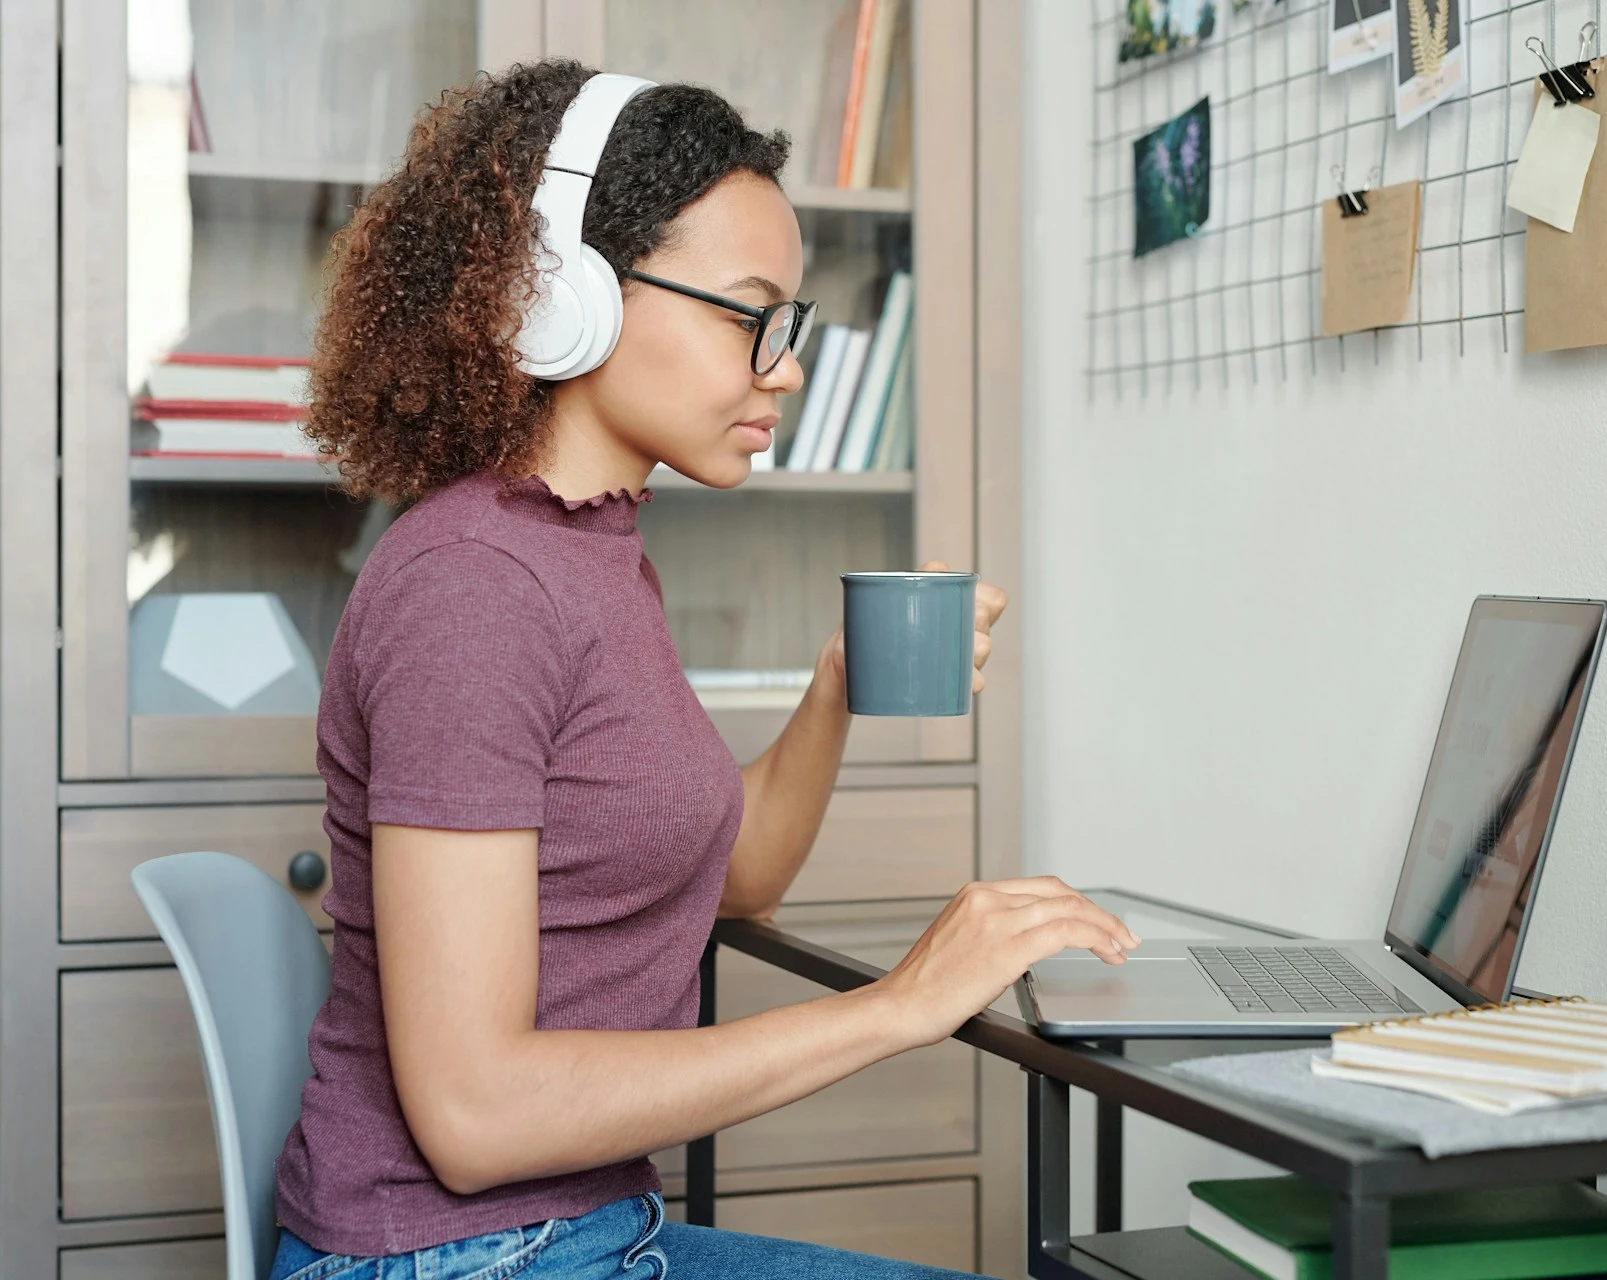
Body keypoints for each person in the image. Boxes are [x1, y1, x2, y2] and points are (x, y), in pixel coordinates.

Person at [266, 60, 1140, 1280]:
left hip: (578, 1230)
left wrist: (836, 685)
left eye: (792, 324)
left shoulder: (590, 547)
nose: (783, 367)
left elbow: (733, 874)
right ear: (565, 294)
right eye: (750, 314)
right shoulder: (474, 586)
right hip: (464, 1254)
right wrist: (896, 1006)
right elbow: (476, 1115)